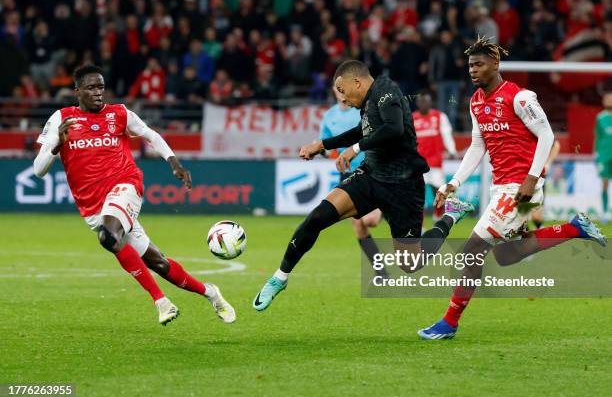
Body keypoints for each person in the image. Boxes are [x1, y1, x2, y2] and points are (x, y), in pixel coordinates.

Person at [418, 37, 606, 340]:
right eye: (470, 66)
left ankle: (449, 322)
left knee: (471, 252)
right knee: (507, 256)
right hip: (502, 187)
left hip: (521, 188)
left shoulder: (519, 98)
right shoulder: (477, 101)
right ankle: (573, 229)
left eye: (479, 64)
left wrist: (532, 178)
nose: (473, 70)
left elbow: (546, 135)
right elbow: (478, 145)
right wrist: (454, 182)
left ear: (495, 64)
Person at [252, 60, 475, 312]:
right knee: (317, 217)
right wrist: (323, 144)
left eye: (343, 90)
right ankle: (280, 278)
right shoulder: (367, 102)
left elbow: (394, 128)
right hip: (370, 176)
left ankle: (450, 216)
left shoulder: (387, 91)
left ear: (356, 82)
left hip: (403, 186)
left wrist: (355, 149)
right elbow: (362, 131)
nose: (343, 99)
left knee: (410, 263)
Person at [33, 65, 236, 326]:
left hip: (125, 185)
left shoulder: (119, 114)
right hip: (93, 205)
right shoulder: (61, 119)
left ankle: (161, 302)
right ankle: (211, 293)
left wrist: (173, 162)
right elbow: (39, 170)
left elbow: (150, 134)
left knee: (108, 236)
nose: (98, 93)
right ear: (77, 91)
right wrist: (56, 145)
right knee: (158, 263)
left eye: (101, 87)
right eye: (91, 88)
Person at [319, 84, 384, 274]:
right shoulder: (329, 116)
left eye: (343, 87)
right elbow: (325, 144)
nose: (341, 92)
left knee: (370, 221)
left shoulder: (363, 110)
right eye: (337, 88)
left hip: (372, 168)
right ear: (332, 89)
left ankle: (383, 205)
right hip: (348, 173)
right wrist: (321, 151)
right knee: (359, 226)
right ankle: (382, 272)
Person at [413, 90, 457, 222]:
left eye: (426, 101)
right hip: (419, 164)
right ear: (417, 103)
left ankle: (437, 217)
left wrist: (452, 150)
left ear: (430, 102)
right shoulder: (412, 118)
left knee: (439, 192)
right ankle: (419, 226)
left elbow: (446, 133)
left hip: (435, 163)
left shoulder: (439, 116)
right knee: (417, 196)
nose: (423, 104)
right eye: (421, 101)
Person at [531, 139, 560, 228]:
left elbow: (556, 144)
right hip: (519, 176)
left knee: (536, 217)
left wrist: (548, 163)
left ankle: (539, 228)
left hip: (537, 177)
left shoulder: (538, 128)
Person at [595, 93, 612, 220]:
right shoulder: (600, 118)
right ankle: (605, 211)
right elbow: (598, 137)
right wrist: (596, 153)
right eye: (607, 98)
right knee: (605, 183)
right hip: (605, 156)